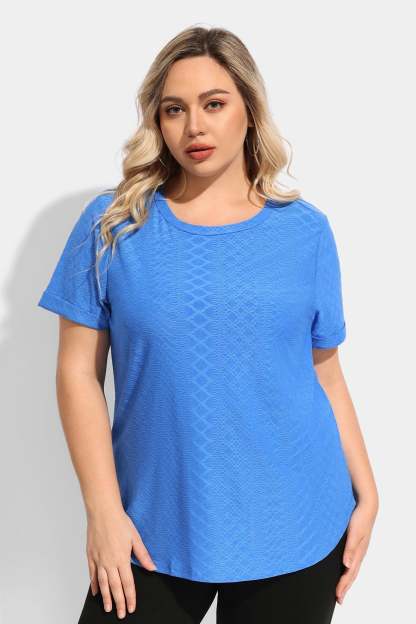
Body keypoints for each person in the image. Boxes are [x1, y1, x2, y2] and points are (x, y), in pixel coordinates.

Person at [37, 25, 379, 623]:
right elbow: (77, 374)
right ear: (158, 121)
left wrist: (368, 490)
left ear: (249, 110)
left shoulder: (306, 232)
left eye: (213, 104)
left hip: (296, 521)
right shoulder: (113, 225)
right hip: (151, 526)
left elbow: (325, 373)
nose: (194, 126)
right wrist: (102, 511)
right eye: (175, 109)